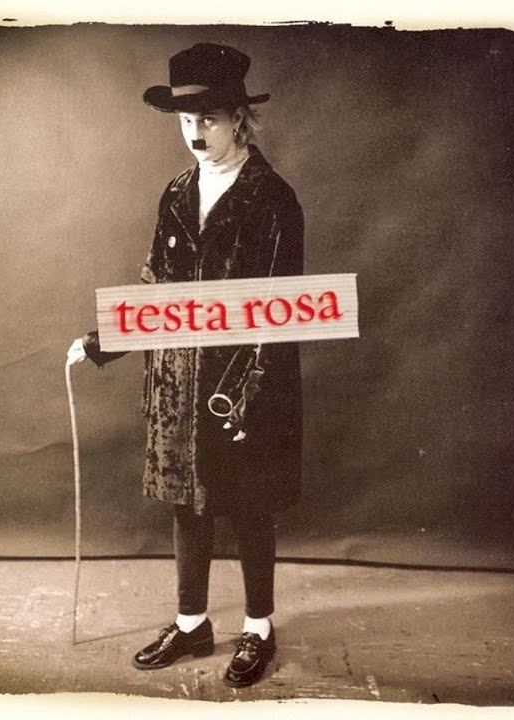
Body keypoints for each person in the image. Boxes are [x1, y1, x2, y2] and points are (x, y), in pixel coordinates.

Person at [66, 42, 304, 689]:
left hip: (242, 386)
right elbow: (156, 292)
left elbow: (282, 310)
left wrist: (251, 393)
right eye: (186, 120)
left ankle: (258, 628)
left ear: (239, 118)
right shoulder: (175, 193)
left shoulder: (272, 200)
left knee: (250, 506)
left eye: (209, 119)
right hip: (176, 381)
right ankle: (192, 622)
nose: (196, 133)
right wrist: (102, 342)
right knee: (186, 504)